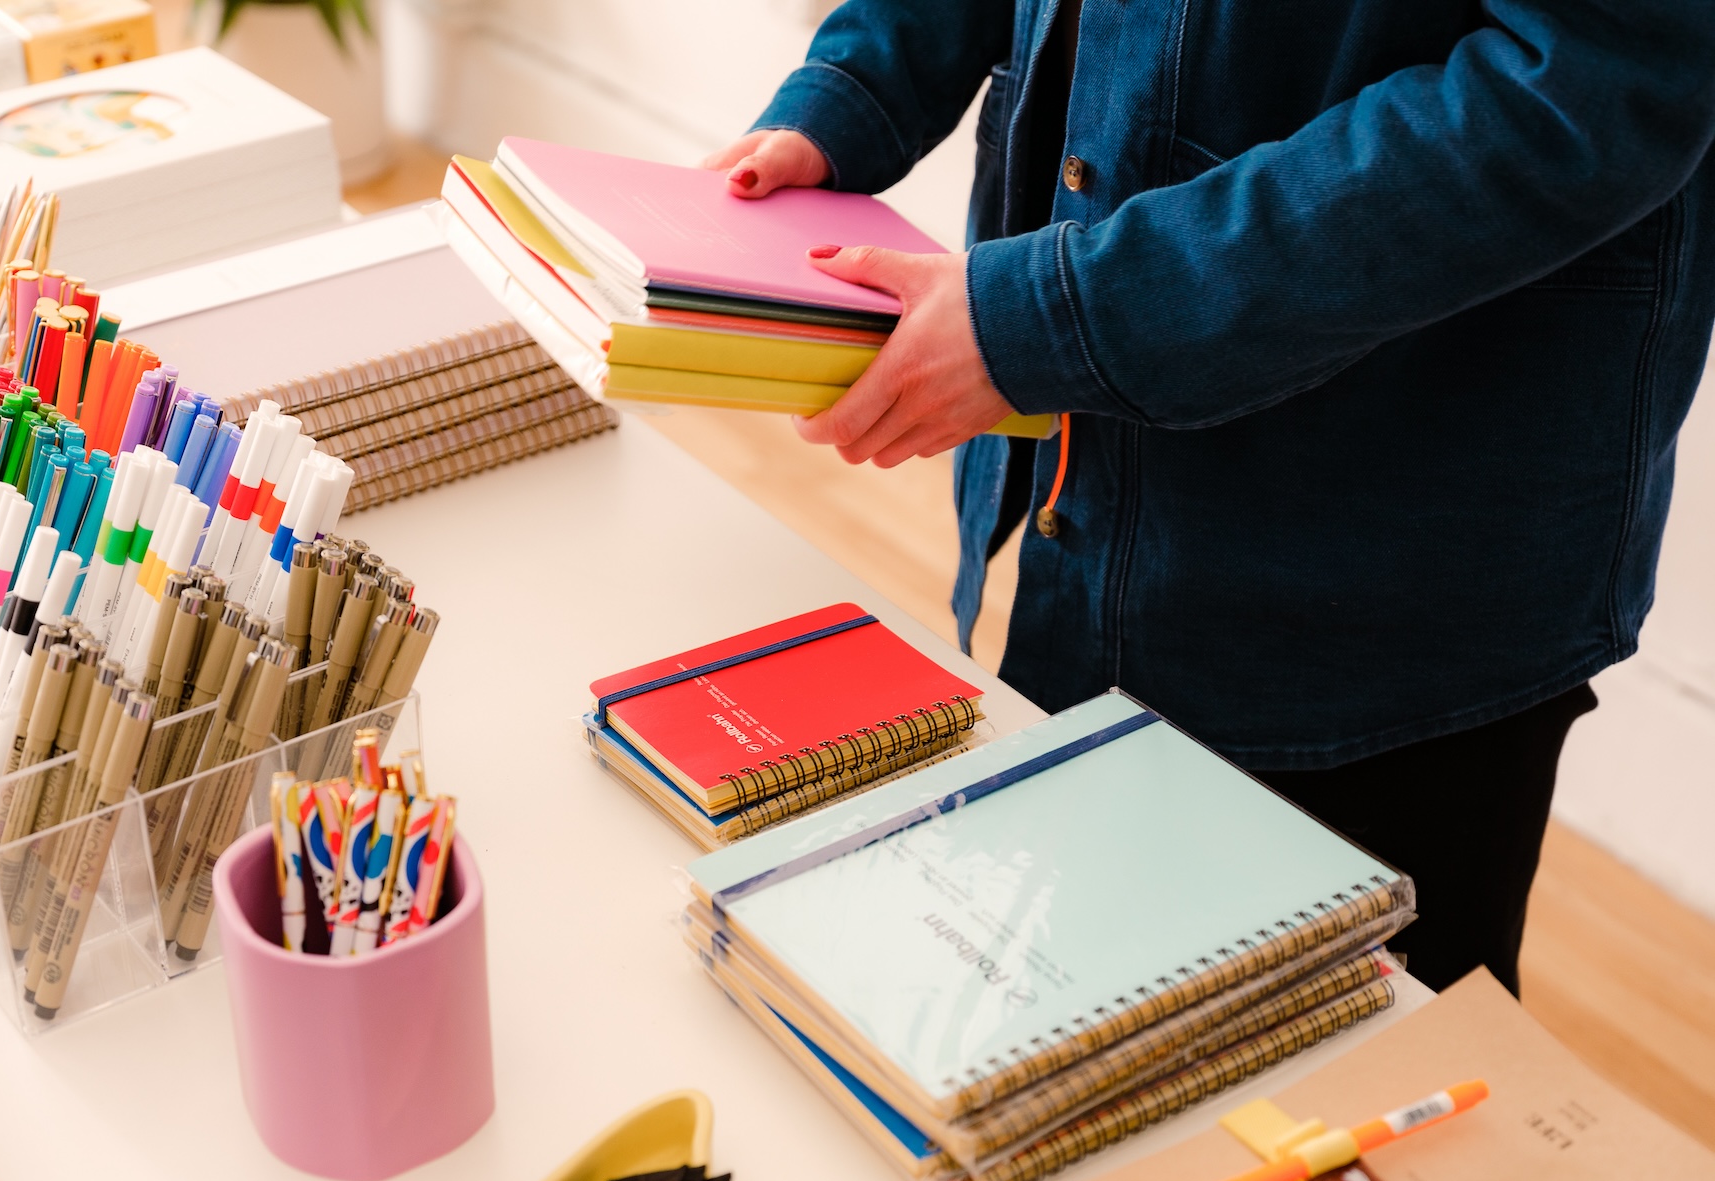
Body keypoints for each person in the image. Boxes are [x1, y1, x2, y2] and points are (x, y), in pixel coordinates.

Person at [704, 0, 1715, 995]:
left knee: (1349, 1096)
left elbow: (1591, 88)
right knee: (1064, 1023)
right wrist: (851, 92)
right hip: (1092, 490)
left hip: (1391, 567)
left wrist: (1062, 317)